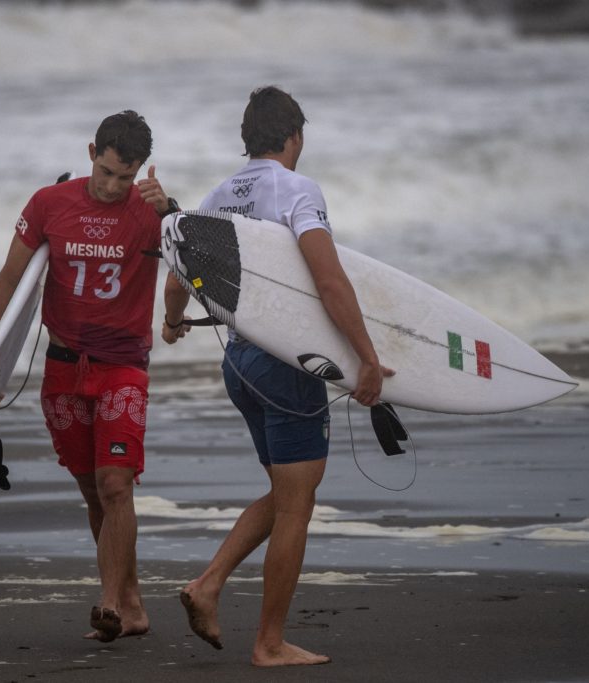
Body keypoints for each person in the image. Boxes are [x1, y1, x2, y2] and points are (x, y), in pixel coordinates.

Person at [161, 86, 394, 667]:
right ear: (295, 137)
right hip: (288, 364)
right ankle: (268, 643)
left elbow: (177, 276)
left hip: (239, 363)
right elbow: (329, 280)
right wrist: (365, 357)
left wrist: (171, 322)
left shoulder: (216, 198)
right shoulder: (297, 191)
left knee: (287, 491)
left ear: (247, 138)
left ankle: (208, 585)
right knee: (297, 506)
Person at [0, 110, 176, 643]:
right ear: (92, 152)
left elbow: (198, 269)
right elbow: (11, 279)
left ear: (140, 172)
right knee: (94, 492)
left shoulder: (153, 214)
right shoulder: (48, 204)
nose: (114, 187)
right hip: (62, 369)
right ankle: (131, 602)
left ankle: (108, 604)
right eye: (107, 172)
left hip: (123, 367)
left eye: (125, 178)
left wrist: (174, 214)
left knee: (116, 483)